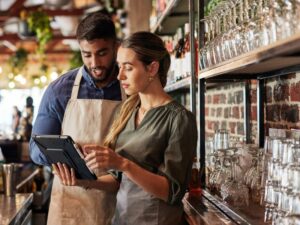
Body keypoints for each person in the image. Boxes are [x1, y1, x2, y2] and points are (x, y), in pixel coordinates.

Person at [53, 32, 197, 225]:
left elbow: (172, 192)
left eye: (128, 68)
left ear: (152, 68)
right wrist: (82, 180)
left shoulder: (179, 118)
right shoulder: (127, 110)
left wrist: (122, 163)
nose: (120, 75)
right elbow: (118, 181)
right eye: (119, 67)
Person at [29, 12, 125, 225]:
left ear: (116, 46)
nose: (95, 63)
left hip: (120, 203)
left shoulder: (129, 86)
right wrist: (65, 153)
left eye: (102, 53)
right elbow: (35, 149)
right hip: (71, 206)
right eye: (87, 55)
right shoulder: (59, 90)